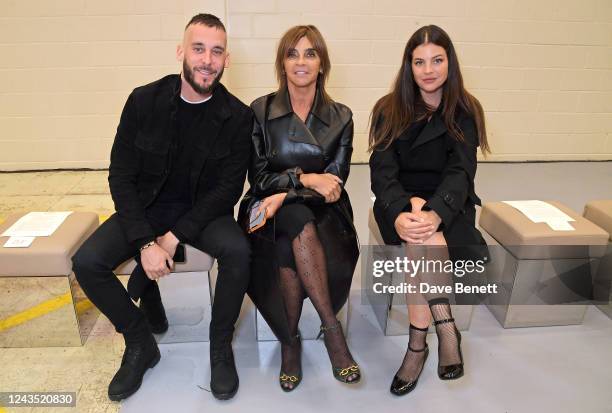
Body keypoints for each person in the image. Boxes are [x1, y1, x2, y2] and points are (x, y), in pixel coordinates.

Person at [72, 14, 252, 401]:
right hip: (147, 207)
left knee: (239, 251)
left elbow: (227, 190)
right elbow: (120, 175)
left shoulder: (238, 117)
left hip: (202, 212)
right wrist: (144, 242)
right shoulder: (143, 100)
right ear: (180, 52)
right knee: (87, 262)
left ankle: (219, 345)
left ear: (227, 60)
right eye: (198, 48)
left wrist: (171, 239)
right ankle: (139, 342)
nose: (207, 60)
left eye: (216, 51)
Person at [369, 25, 490, 396]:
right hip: (398, 203)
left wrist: (435, 211)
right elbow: (382, 170)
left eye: (437, 60)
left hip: (449, 204)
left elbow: (461, 172)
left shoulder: (466, 110)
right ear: (409, 66)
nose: (428, 69)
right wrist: (403, 211)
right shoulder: (388, 108)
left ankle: (416, 346)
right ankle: (446, 327)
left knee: (425, 237)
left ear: (449, 63)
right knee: (417, 231)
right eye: (419, 61)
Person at [237, 25, 360, 392]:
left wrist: (284, 192)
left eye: (310, 54)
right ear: (282, 63)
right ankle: (331, 330)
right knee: (296, 227)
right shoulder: (260, 110)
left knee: (298, 228)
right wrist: (303, 180)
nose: (301, 62)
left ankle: (290, 342)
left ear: (322, 63)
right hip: (267, 209)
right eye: (293, 54)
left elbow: (335, 184)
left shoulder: (341, 116)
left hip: (324, 211)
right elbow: (259, 179)